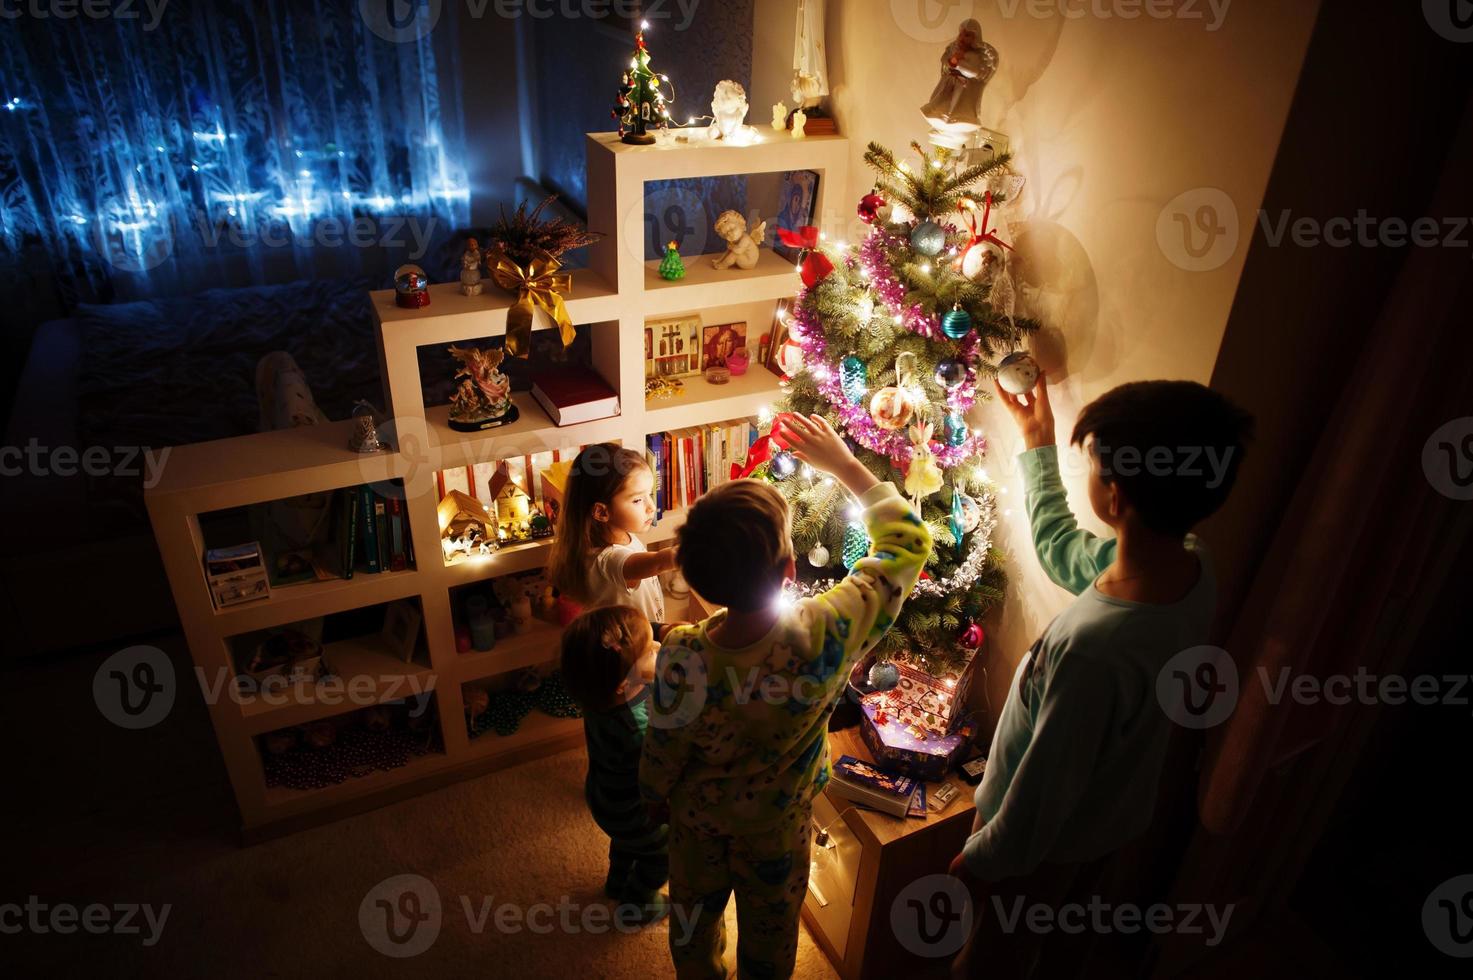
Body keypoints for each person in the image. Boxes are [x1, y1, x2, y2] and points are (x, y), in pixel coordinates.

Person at [948, 376, 1253, 976]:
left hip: (1038, 846)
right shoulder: (1190, 563)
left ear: (1114, 498)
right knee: (1065, 942)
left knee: (989, 959)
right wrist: (1038, 444)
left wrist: (980, 858)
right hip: (1111, 822)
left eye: (1092, 465)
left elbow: (1041, 795)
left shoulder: (1093, 650)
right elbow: (1064, 547)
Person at [640, 414, 933, 980]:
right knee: (772, 938)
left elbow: (664, 745)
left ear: (697, 582)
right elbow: (908, 542)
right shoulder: (825, 631)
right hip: (776, 828)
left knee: (692, 930)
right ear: (791, 569)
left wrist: (653, 794)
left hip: (698, 826)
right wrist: (845, 464)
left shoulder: (682, 653)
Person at [560, 605, 669, 921]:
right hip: (635, 813)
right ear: (623, 683)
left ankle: (616, 882)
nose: (658, 649)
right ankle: (636, 906)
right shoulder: (637, 733)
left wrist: (659, 632)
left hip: (603, 798)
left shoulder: (597, 696)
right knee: (660, 857)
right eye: (649, 651)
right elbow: (663, 770)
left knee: (625, 844)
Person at [548, 442, 676, 625]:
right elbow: (658, 563)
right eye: (638, 500)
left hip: (645, 633)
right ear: (601, 512)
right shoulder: (607, 561)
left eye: (650, 494)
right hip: (629, 648)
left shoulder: (621, 535)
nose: (651, 507)